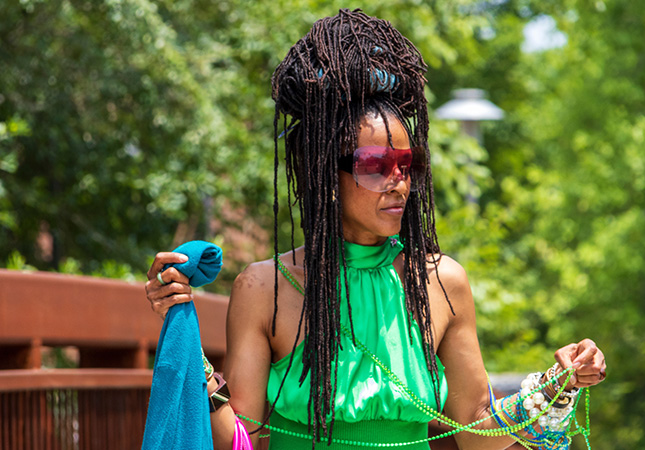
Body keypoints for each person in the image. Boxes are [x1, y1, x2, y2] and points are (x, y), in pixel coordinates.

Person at [145, 9, 606, 450]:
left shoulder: (441, 283)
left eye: (408, 164)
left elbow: (473, 434)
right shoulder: (265, 287)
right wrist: (188, 348)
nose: (398, 182)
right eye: (374, 165)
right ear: (327, 175)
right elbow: (239, 441)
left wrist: (554, 386)